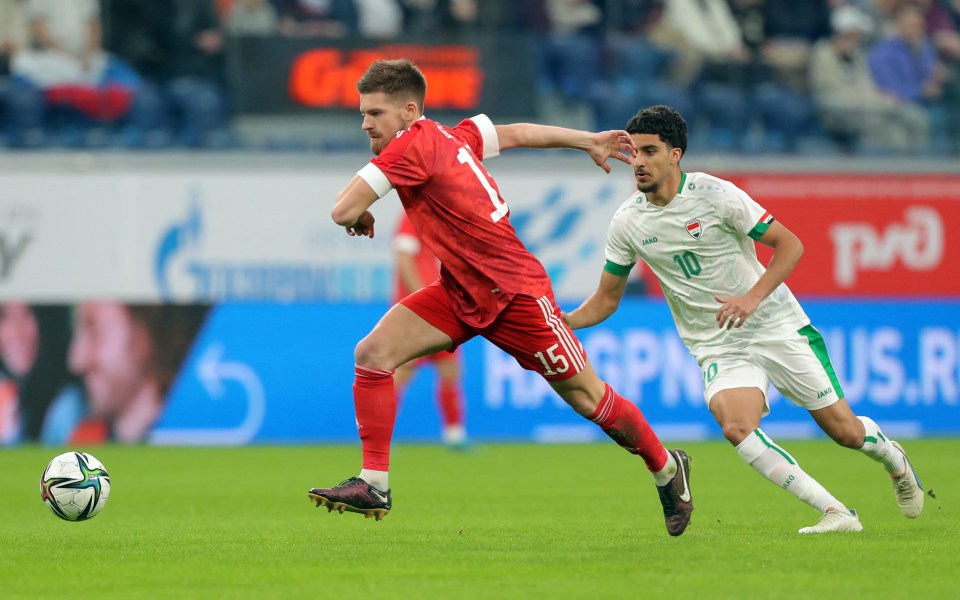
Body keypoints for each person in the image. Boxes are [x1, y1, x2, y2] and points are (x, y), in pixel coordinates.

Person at [308, 58, 693, 537]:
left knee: (588, 398)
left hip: (515, 294)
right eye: (363, 114)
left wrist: (356, 214)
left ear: (409, 111)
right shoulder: (454, 135)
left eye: (376, 113)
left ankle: (667, 470)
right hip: (460, 291)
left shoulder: (411, 146)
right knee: (372, 353)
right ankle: (374, 482)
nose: (366, 123)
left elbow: (341, 208)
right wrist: (586, 139)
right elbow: (519, 134)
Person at [562, 104, 925, 534]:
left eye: (649, 151)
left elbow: (789, 245)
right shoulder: (627, 222)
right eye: (634, 153)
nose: (638, 162)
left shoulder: (715, 194)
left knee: (845, 432)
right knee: (736, 426)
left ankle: (894, 461)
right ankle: (837, 513)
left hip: (774, 323)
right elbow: (605, 300)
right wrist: (559, 322)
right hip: (718, 342)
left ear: (674, 155)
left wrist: (751, 298)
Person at [67, 303, 209, 443]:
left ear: (144, 333)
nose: (77, 361)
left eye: (96, 332)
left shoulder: (199, 439)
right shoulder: (82, 443)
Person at [391, 211, 469, 449]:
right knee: (402, 369)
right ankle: (378, 435)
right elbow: (403, 258)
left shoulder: (437, 218)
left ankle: (454, 435)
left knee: (449, 366)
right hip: (416, 309)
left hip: (439, 306)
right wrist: (420, 298)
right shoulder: (413, 216)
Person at [0, 303, 84, 445]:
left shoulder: (68, 405)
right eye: (4, 317)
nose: (16, 332)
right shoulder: (6, 388)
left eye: (27, 315)